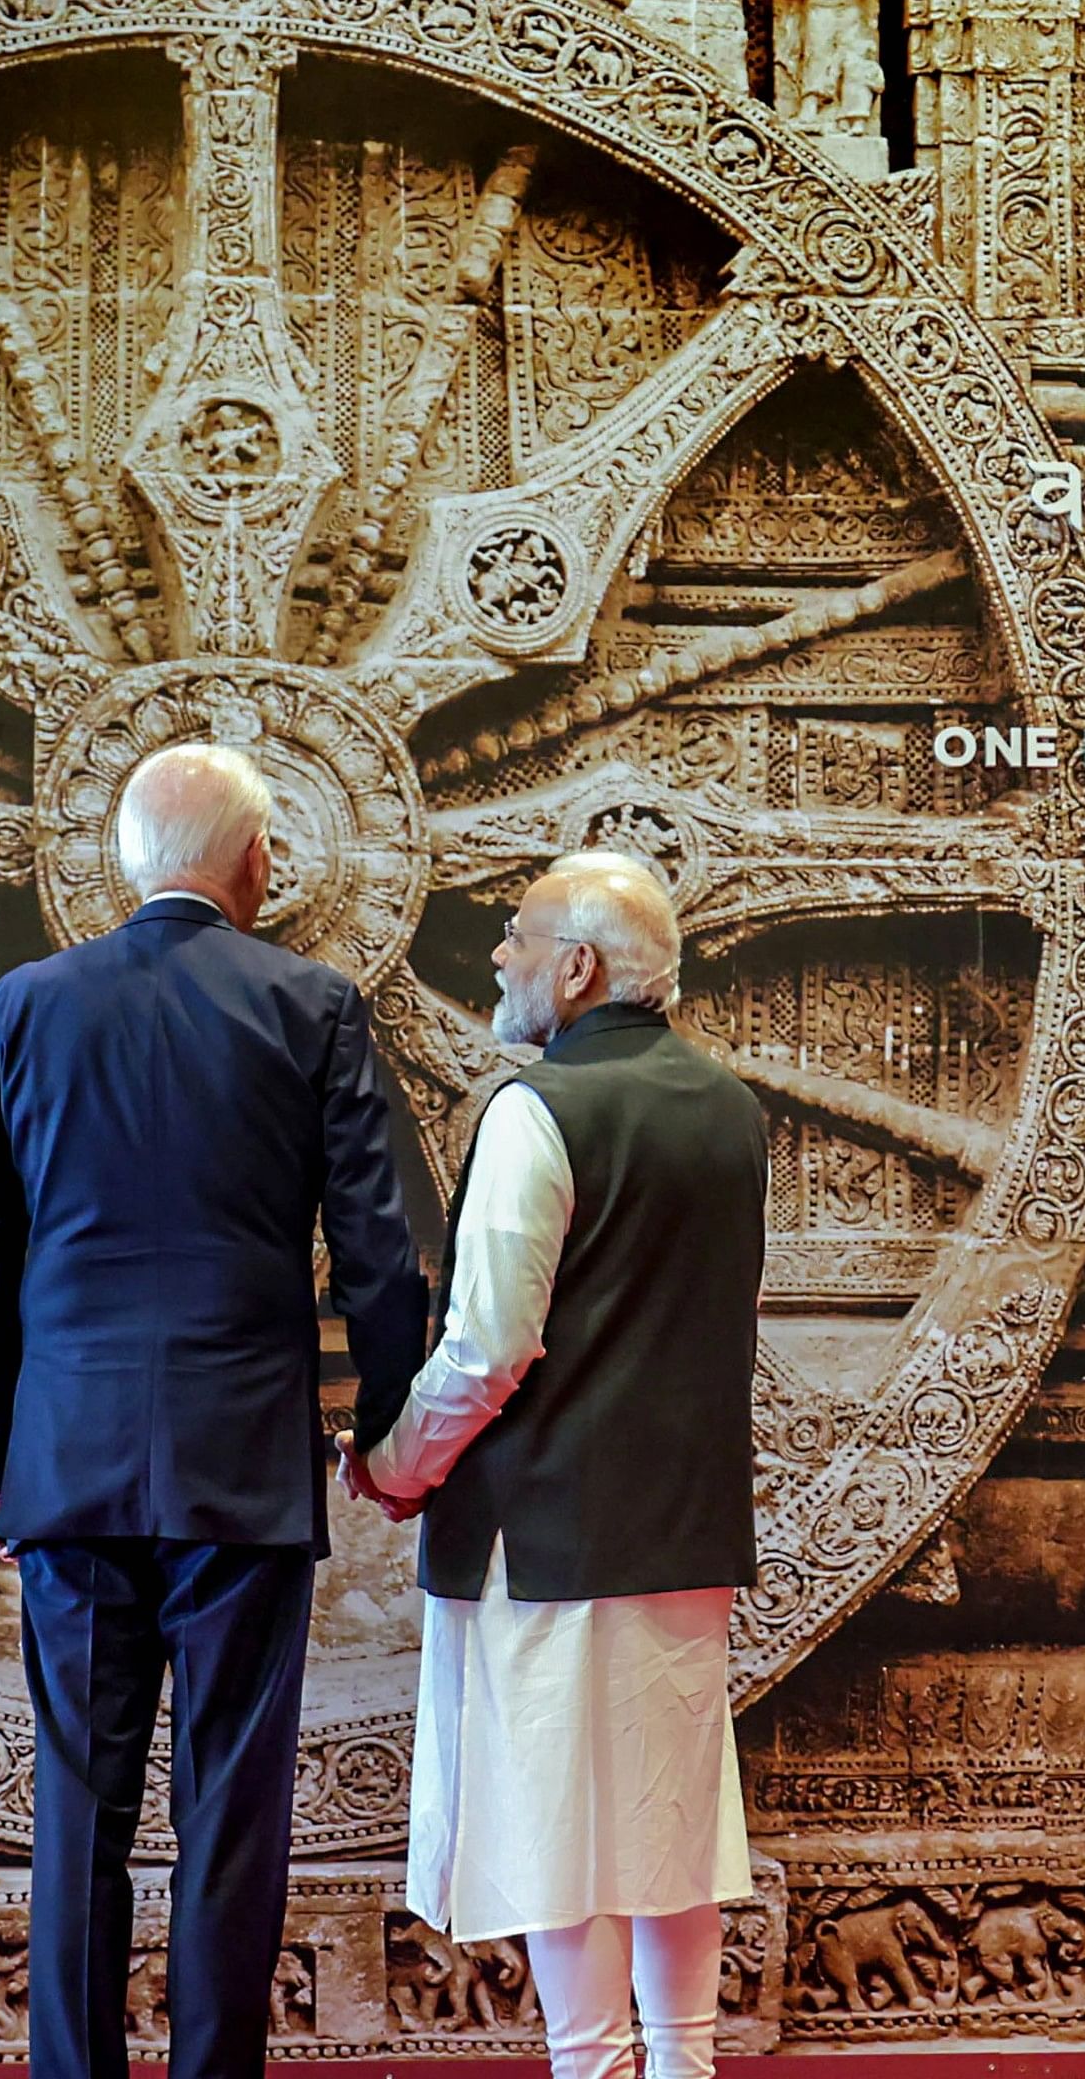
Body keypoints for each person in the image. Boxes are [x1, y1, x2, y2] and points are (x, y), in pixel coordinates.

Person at [0, 742, 429, 2079]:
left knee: (79, 1807)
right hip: (245, 1467)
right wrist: (388, 1426)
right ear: (257, 861)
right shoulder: (310, 1004)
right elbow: (376, 1248)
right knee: (232, 1811)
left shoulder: (24, 1007)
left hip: (70, 1465)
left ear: (125, 862)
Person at [342, 851, 767, 2079]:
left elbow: (485, 1344)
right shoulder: (731, 1108)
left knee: (557, 1824)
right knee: (671, 1825)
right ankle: (682, 2065)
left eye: (519, 936)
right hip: (681, 1530)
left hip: (543, 1536)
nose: (499, 957)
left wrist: (394, 1465)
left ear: (577, 967)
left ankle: (590, 2067)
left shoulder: (535, 1111)